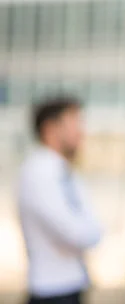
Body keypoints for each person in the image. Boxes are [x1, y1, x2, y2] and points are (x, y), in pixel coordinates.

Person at [17, 96, 103, 304]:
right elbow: (75, 232)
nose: (81, 131)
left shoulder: (64, 172)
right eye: (74, 123)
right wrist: (89, 231)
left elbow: (93, 228)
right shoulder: (38, 174)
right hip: (52, 293)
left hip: (69, 288)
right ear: (50, 129)